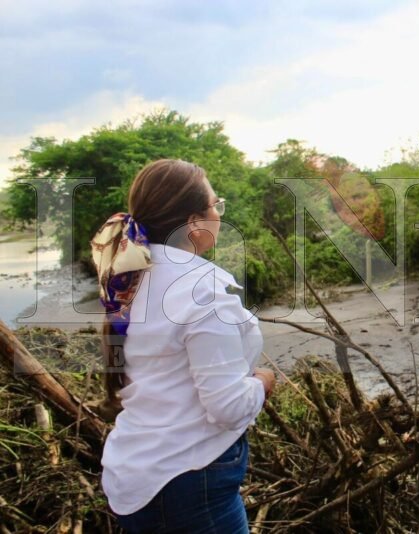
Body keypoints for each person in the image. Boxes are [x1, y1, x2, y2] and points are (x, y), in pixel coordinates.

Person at [90, 159, 276, 533]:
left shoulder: (130, 280)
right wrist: (263, 382)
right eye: (215, 205)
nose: (219, 213)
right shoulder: (200, 290)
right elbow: (227, 408)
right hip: (189, 477)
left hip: (133, 475)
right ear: (194, 222)